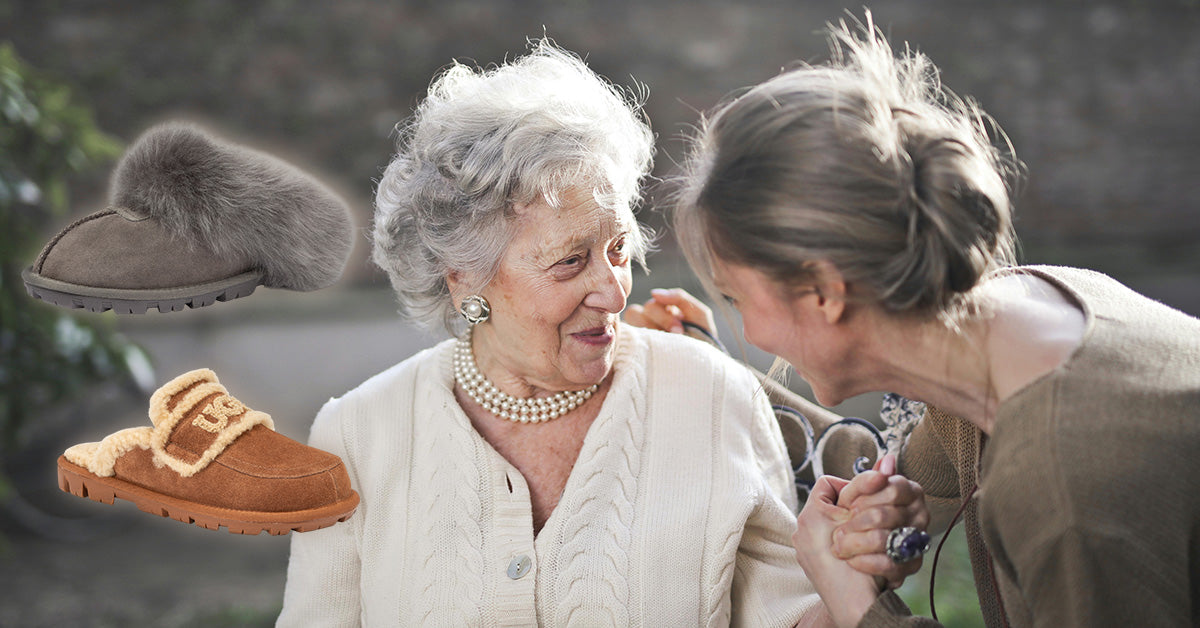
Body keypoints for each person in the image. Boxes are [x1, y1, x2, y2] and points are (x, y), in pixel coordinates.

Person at [276, 40, 925, 626]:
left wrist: (846, 575)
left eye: (617, 248)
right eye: (569, 261)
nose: (615, 290)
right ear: (464, 279)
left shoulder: (711, 396)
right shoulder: (357, 437)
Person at [659, 13, 1200, 628]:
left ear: (824, 293)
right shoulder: (1018, 317)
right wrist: (699, 364)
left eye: (736, 299)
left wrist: (859, 604)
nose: (750, 334)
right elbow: (882, 477)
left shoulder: (1066, 487)